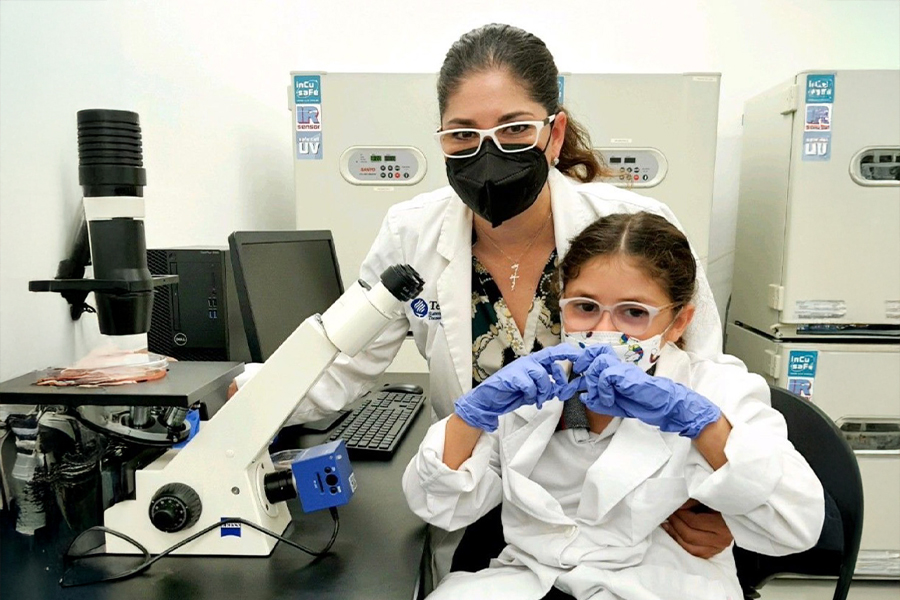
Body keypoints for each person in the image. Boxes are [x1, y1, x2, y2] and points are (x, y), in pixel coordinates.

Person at [233, 22, 733, 580]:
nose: (486, 154)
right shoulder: (412, 233)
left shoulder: (631, 228)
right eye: (462, 135)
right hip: (480, 500)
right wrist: (242, 401)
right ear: (442, 138)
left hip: (630, 510)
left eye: (514, 129)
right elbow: (345, 362)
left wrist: (722, 501)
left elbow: (705, 376)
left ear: (555, 132)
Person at [402, 212, 825, 600]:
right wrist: (473, 414)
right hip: (530, 579)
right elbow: (440, 503)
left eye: (633, 313)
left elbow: (796, 524)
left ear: (678, 321)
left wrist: (702, 425)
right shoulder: (536, 386)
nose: (604, 331)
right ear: (561, 306)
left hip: (663, 584)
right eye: (585, 307)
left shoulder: (716, 389)